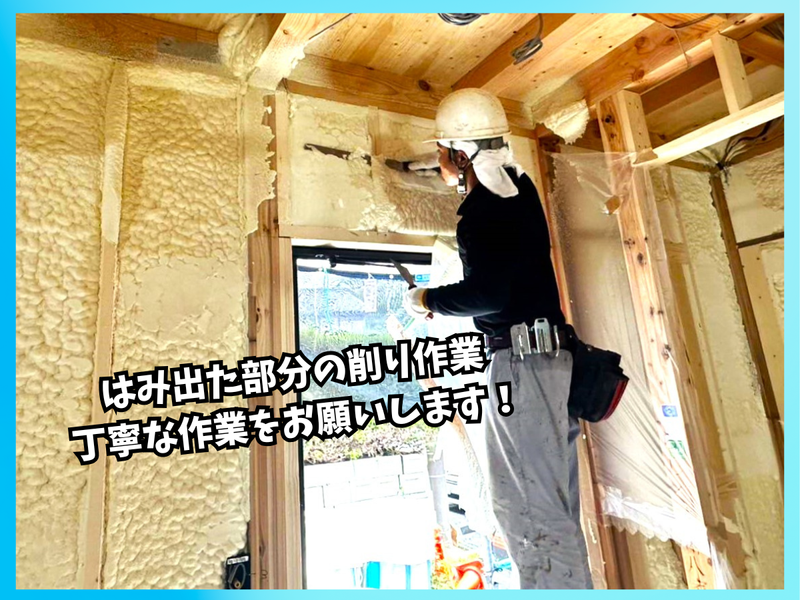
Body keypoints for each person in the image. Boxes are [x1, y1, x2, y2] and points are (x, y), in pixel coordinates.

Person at [403, 88, 592, 589]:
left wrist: (427, 299)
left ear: (461, 154)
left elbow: (488, 294)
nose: (439, 164)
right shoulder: (520, 193)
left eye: (442, 153)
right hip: (552, 359)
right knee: (552, 506)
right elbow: (505, 284)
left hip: (524, 364)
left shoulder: (482, 212)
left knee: (526, 508)